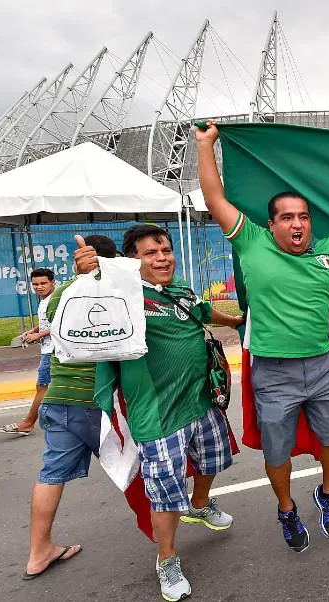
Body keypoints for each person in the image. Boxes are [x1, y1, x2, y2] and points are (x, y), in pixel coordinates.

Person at [196, 120, 329, 553]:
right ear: (271, 224)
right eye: (288, 217)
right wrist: (205, 145)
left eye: (304, 217)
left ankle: (327, 494)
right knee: (277, 452)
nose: (298, 224)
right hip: (274, 372)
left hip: (326, 367)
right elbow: (214, 197)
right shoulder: (252, 241)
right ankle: (286, 508)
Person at [95, 224, 242, 600]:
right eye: (150, 253)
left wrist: (237, 321)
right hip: (158, 417)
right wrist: (88, 271)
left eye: (166, 250)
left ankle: (200, 503)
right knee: (164, 492)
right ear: (131, 261)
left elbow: (204, 311)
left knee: (212, 460)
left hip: (202, 402)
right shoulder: (123, 299)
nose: (162, 258)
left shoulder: (180, 290)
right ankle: (167, 560)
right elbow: (91, 298)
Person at [20, 235, 116, 581]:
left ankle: (38, 552)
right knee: (141, 464)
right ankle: (166, 547)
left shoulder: (60, 294)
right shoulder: (108, 292)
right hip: (95, 400)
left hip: (58, 398)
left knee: (51, 474)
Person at [0, 268, 56, 436]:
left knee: (42, 387)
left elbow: (60, 323)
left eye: (43, 283)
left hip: (52, 350)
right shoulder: (44, 300)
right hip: (48, 349)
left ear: (53, 283)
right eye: (35, 284)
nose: (39, 287)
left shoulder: (55, 300)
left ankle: (28, 423)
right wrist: (32, 330)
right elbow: (47, 323)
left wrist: (39, 334)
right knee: (47, 387)